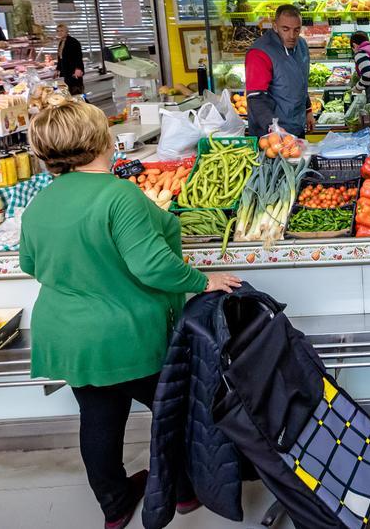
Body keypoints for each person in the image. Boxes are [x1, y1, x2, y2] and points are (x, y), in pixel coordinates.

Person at [19, 101, 242, 529]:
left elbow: (31, 264)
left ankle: (115, 504)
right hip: (124, 332)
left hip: (68, 333)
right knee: (172, 409)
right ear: (103, 140)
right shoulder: (117, 195)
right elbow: (153, 266)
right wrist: (204, 281)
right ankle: (183, 491)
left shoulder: (40, 202)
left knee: (99, 417)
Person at [245, 4, 314, 138]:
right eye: (285, 29)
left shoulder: (302, 45)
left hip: (296, 127)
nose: (292, 35)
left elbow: (301, 81)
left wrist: (308, 110)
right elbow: (256, 98)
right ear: (275, 26)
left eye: (296, 29)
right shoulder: (259, 53)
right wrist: (273, 128)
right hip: (270, 134)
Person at [55, 24, 86, 95]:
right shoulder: (61, 42)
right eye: (58, 31)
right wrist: (58, 69)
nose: (60, 33)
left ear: (67, 31)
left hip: (74, 71)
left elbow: (78, 56)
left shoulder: (73, 42)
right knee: (70, 92)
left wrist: (78, 69)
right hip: (67, 71)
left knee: (77, 92)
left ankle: (84, 105)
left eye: (62, 31)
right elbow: (60, 58)